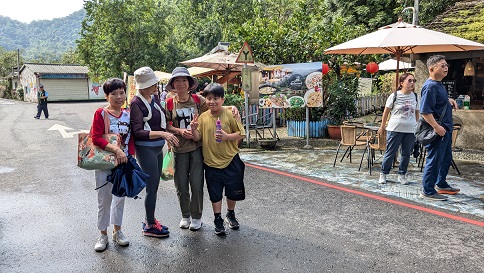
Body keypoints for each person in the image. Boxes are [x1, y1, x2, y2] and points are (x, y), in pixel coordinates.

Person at [165, 67, 240, 231]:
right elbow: (167, 125)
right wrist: (179, 131)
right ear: (173, 84)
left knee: (197, 184)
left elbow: (215, 107)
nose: (181, 83)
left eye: (184, 80)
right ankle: (185, 215)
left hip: (198, 147)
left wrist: (231, 107)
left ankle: (197, 216)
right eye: (177, 80)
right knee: (181, 184)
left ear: (189, 83)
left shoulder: (198, 100)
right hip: (179, 148)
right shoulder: (170, 103)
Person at [190, 83, 246, 236]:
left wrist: (227, 137)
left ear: (222, 99)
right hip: (210, 162)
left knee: (232, 190)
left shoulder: (229, 114)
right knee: (214, 192)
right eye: (209, 98)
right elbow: (197, 138)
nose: (212, 102)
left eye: (216, 98)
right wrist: (193, 129)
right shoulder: (202, 117)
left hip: (231, 159)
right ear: (205, 100)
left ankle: (230, 214)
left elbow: (241, 133)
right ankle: (217, 218)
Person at [130, 67, 179, 237]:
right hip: (146, 149)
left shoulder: (154, 98)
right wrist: (162, 134)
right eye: (152, 84)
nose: (155, 86)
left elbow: (161, 121)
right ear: (142, 86)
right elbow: (137, 131)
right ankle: (149, 224)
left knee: (155, 186)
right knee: (151, 187)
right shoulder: (136, 103)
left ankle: (149, 220)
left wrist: (167, 137)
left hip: (158, 147)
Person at [91, 78, 135, 252]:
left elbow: (131, 138)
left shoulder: (128, 114)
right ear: (106, 96)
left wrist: (130, 156)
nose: (118, 97)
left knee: (119, 198)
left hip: (123, 162)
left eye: (121, 93)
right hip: (104, 162)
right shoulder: (101, 113)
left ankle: (118, 231)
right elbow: (96, 138)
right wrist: (116, 150)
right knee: (104, 199)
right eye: (114, 93)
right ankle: (103, 234)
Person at [419, 55, 460, 201]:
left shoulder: (438, 85)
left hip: (445, 130)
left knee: (445, 158)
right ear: (432, 69)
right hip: (438, 131)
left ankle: (441, 184)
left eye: (446, 65)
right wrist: (436, 127)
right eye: (442, 65)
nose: (446, 68)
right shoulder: (430, 86)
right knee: (435, 159)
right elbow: (425, 111)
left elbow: (437, 103)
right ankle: (428, 190)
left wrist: (448, 100)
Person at [377, 73, 419, 185]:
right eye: (409, 81)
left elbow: (417, 112)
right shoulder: (394, 95)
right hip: (394, 128)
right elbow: (385, 112)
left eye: (413, 81)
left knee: (406, 153)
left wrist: (417, 126)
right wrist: (382, 126)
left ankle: (402, 174)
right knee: (390, 152)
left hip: (410, 130)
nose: (412, 83)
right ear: (401, 83)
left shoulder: (415, 96)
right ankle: (383, 173)